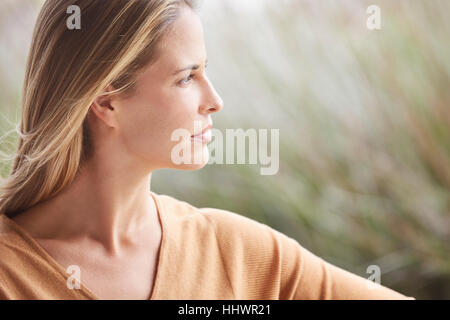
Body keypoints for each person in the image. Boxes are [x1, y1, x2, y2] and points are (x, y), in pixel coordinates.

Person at [0, 0, 414, 300]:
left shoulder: (236, 252)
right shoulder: (11, 274)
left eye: (205, 70)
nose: (215, 100)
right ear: (107, 102)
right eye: (186, 77)